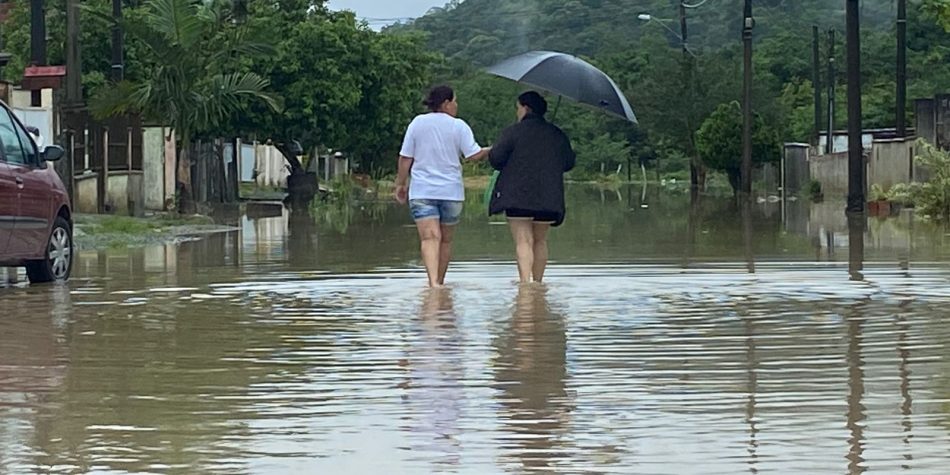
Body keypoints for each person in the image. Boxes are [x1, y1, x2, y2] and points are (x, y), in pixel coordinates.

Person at [395, 86, 491, 288]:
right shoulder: (459, 126)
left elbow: (405, 158)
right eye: (455, 101)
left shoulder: (417, 123)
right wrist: (492, 149)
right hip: (451, 192)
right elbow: (473, 156)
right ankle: (440, 280)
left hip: (422, 191)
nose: (456, 105)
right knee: (445, 240)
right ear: (446, 103)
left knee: (430, 238)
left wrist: (400, 184)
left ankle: (432, 284)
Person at [488, 91, 576, 284]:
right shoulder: (557, 134)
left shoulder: (512, 132)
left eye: (518, 108)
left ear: (526, 108)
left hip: (516, 196)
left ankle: (524, 283)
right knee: (540, 240)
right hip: (548, 196)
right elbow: (569, 162)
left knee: (523, 240)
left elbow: (496, 159)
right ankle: (538, 282)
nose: (517, 112)